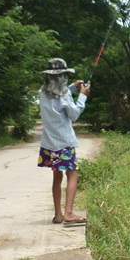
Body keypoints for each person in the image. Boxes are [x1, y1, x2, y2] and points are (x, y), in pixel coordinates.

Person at [37, 58, 90, 224]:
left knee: (57, 176)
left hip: (48, 144)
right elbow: (74, 114)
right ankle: (68, 213)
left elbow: (57, 95)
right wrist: (82, 96)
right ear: (63, 76)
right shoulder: (66, 94)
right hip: (64, 144)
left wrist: (74, 87)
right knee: (73, 174)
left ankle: (58, 214)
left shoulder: (41, 92)